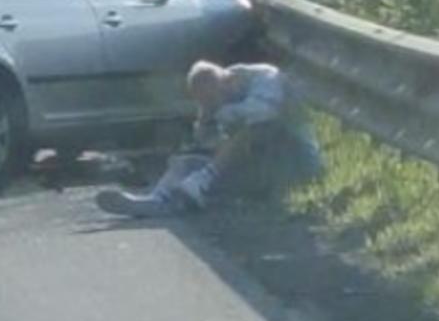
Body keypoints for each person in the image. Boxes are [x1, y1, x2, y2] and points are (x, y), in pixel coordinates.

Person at [95, 61, 322, 218]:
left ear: (228, 81)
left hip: (294, 161)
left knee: (254, 126)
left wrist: (223, 113)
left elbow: (265, 111)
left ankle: (199, 185)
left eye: (213, 99)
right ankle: (157, 199)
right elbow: (205, 141)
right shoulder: (220, 98)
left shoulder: (265, 77)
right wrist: (204, 121)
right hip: (256, 164)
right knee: (188, 160)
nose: (214, 105)